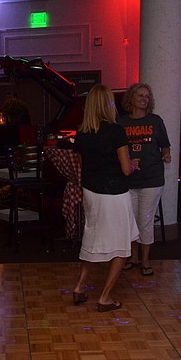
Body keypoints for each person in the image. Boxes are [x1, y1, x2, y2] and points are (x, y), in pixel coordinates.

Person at [70, 84, 138, 312]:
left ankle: (79, 286)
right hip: (114, 193)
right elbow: (126, 170)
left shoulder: (81, 134)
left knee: (92, 236)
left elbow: (83, 165)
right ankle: (105, 297)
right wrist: (134, 165)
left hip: (91, 192)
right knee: (121, 246)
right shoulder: (115, 131)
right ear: (108, 103)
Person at [116, 83, 171, 277]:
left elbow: (165, 145)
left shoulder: (155, 121)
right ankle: (133, 258)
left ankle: (146, 261)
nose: (144, 98)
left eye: (147, 96)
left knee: (145, 221)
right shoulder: (120, 123)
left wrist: (166, 154)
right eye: (140, 95)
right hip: (128, 180)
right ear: (131, 98)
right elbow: (115, 151)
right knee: (130, 220)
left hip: (152, 178)